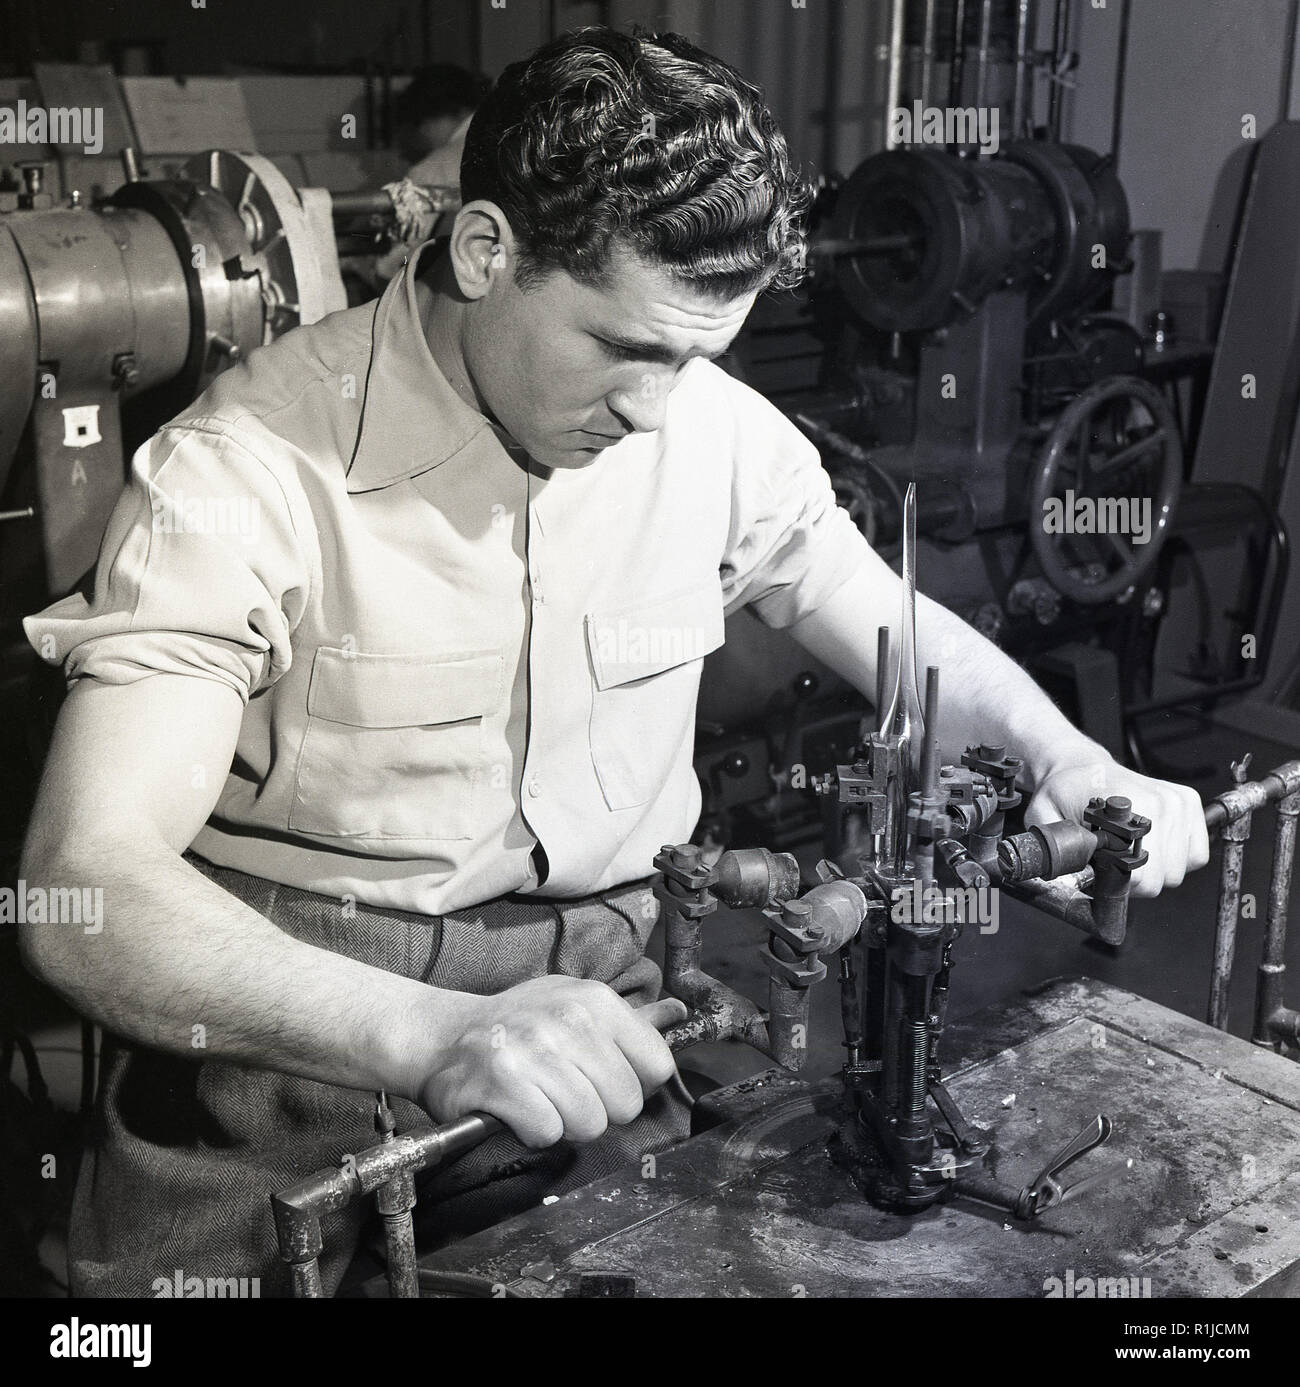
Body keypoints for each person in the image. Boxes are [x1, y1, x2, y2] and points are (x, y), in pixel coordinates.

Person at [18, 26, 1209, 1297]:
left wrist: (1069, 758)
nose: (656, 410)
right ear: (486, 251)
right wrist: (436, 1031)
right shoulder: (241, 471)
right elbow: (85, 886)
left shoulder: (709, 430)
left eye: (700, 354)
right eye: (626, 348)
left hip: (610, 1005)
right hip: (278, 1040)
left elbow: (888, 620)